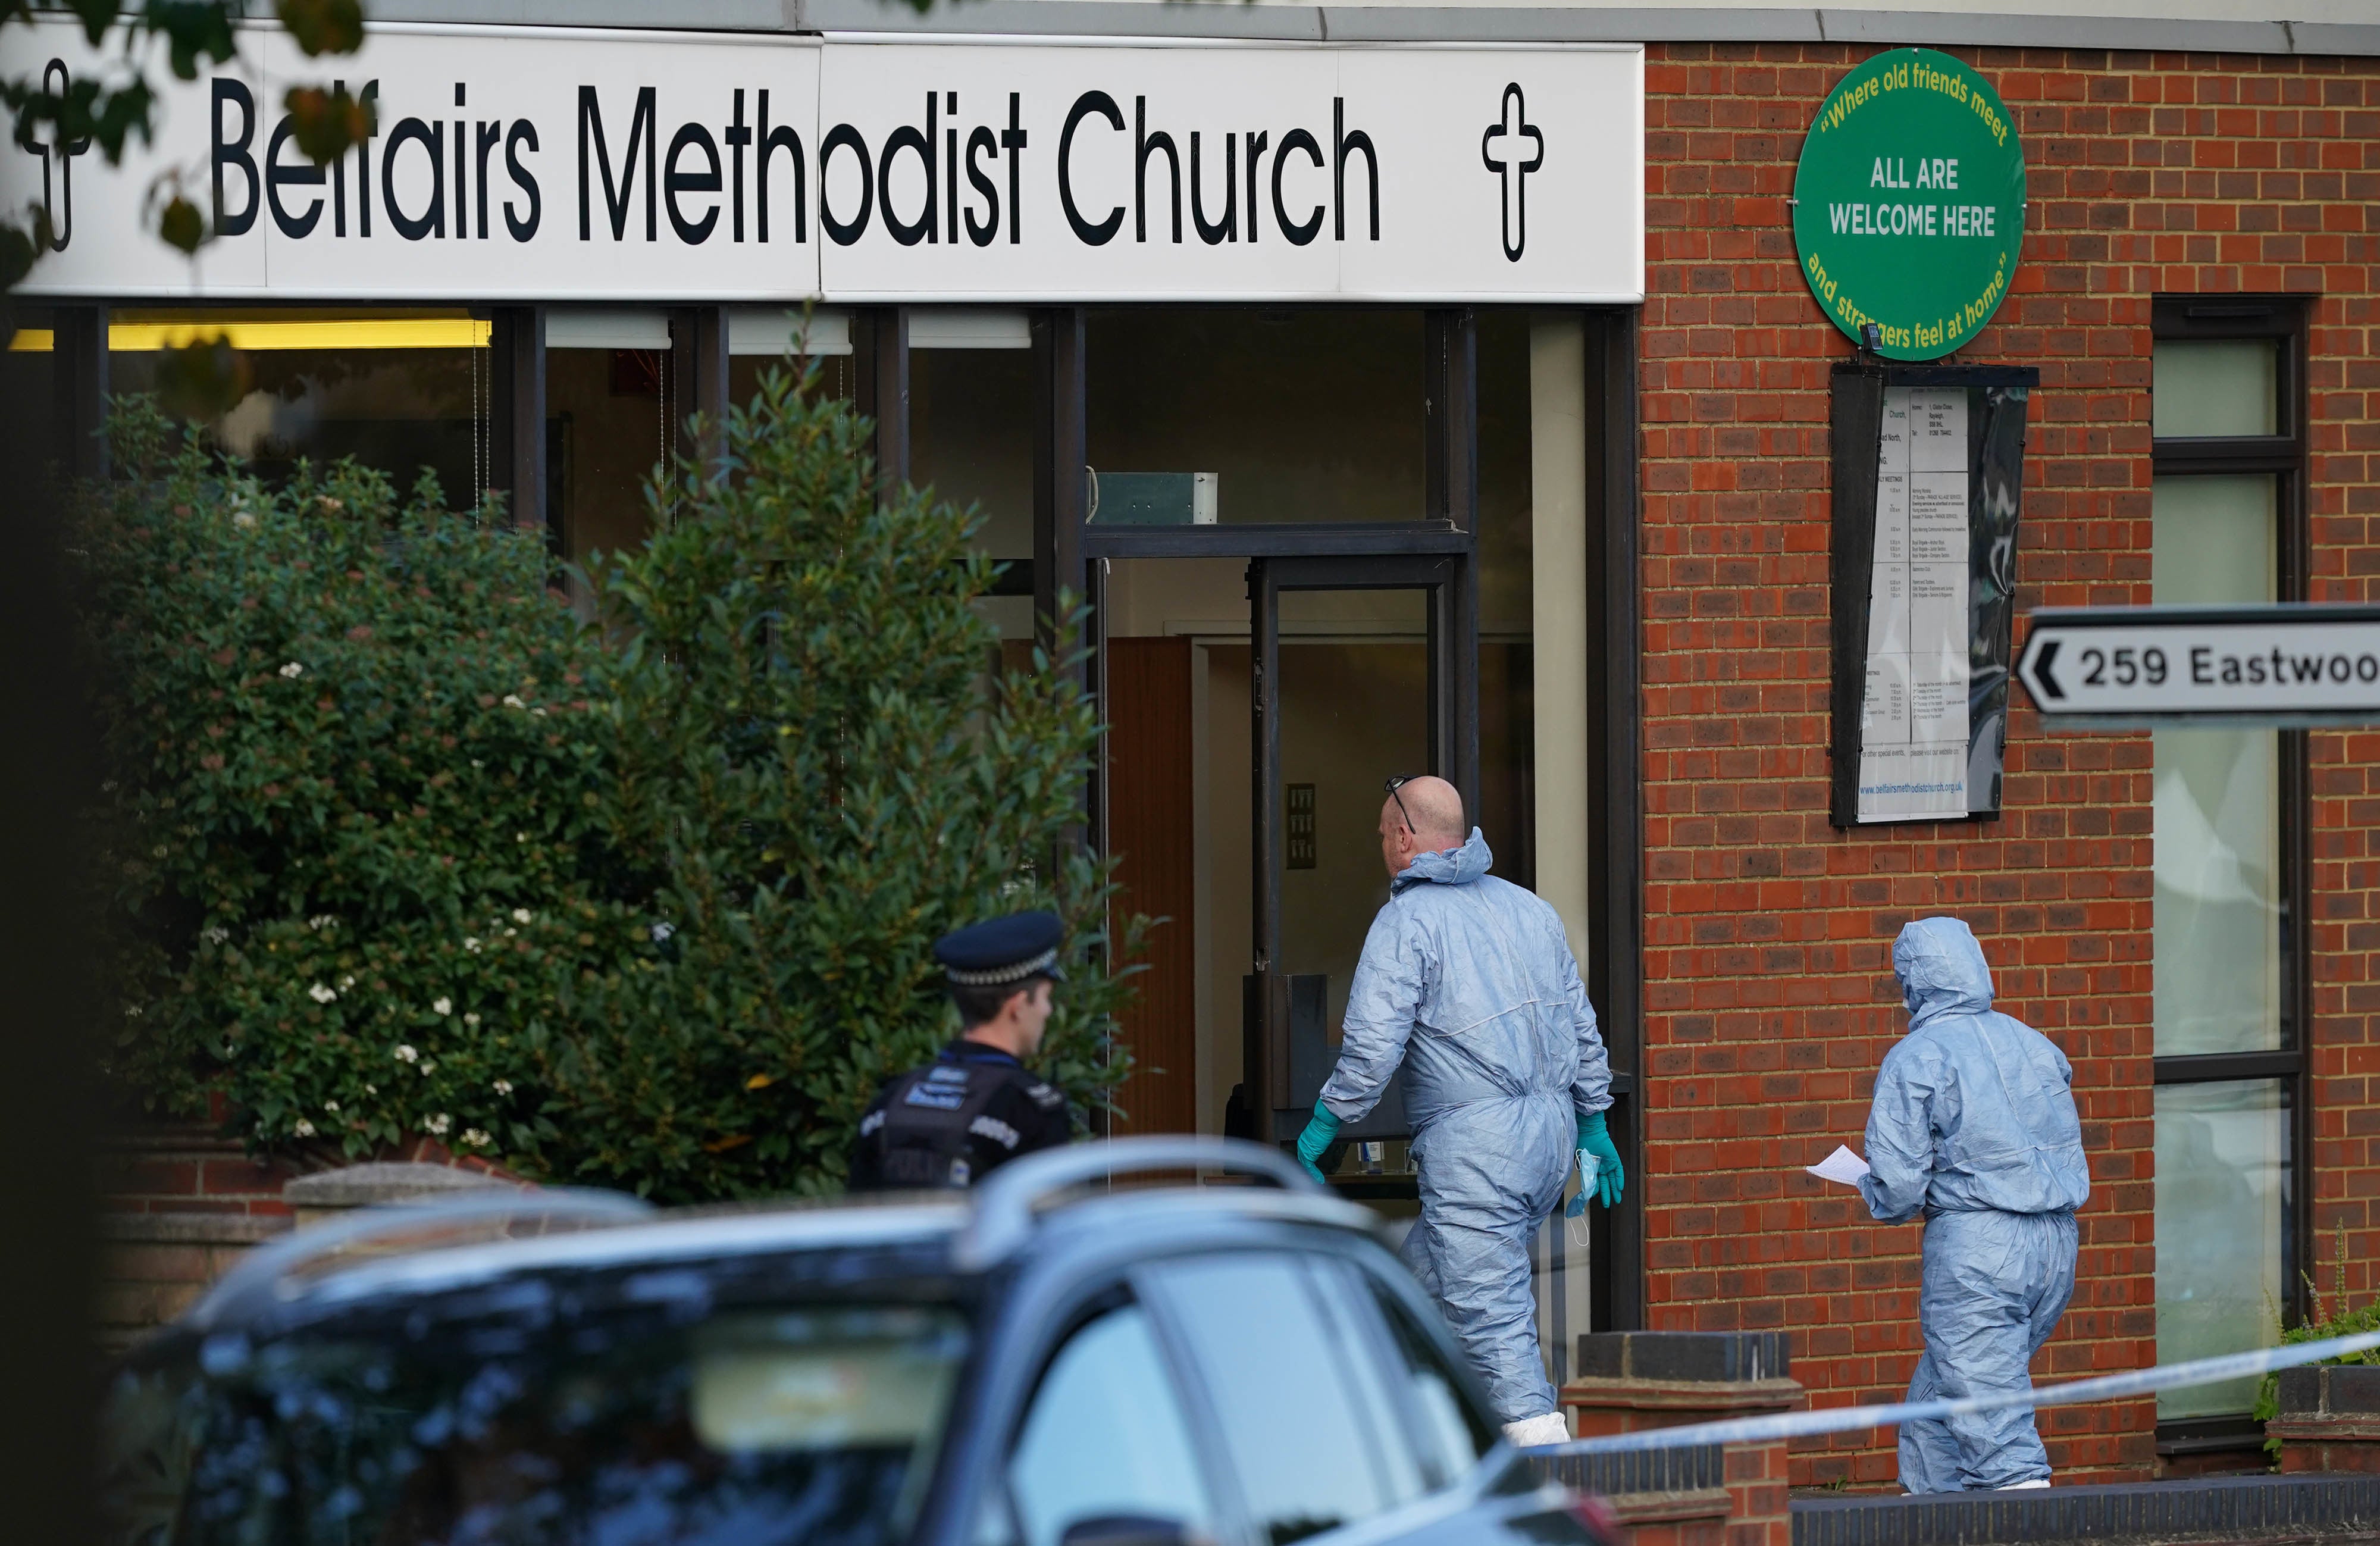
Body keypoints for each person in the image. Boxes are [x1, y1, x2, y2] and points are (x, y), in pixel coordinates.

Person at [1294, 775, 1622, 1448]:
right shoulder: (1531, 910)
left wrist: (1326, 1126)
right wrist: (1592, 1121)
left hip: (1479, 1154)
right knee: (1412, 1298)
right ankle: (1388, 1455)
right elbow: (1580, 1028)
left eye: (1385, 836)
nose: (1383, 848)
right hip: (1548, 1142)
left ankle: (1551, 1485)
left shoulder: (1407, 922)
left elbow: (1372, 1048)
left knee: (1493, 1324)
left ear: (1406, 838)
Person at [1856, 916, 2090, 1494]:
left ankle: (2027, 1522)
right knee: (1938, 1409)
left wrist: (1870, 1188)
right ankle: (1934, 1516)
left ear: (1912, 978)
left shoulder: (1918, 1056)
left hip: (1978, 1251)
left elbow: (1898, 1188)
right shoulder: (2036, 1045)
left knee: (1994, 1428)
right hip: (2053, 1244)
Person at [847, 910, 1075, 1191]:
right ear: (1017, 1006)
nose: (1048, 1011)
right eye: (1045, 998)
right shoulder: (1030, 1112)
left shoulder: (892, 1100)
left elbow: (859, 1220)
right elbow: (1045, 1226)